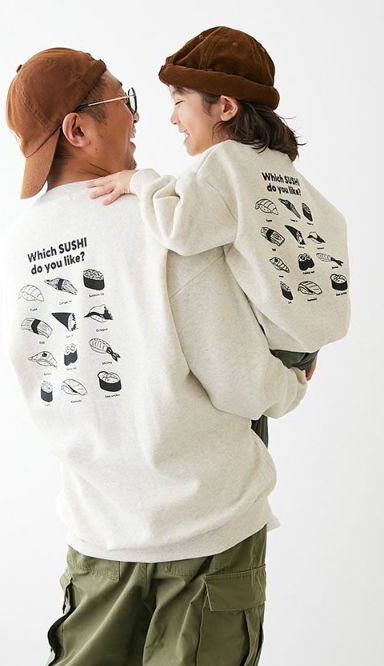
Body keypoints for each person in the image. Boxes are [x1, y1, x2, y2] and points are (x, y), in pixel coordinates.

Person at [0, 46, 309, 666]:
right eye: (121, 99)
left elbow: (35, 379)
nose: (138, 115)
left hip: (100, 510)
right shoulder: (163, 217)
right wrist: (294, 377)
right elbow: (240, 377)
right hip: (206, 510)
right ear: (79, 127)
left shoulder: (19, 239)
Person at [86, 25, 350, 407]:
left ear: (225, 107)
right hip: (302, 342)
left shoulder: (222, 164)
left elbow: (181, 229)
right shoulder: (279, 166)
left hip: (268, 345)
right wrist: (307, 327)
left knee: (241, 431)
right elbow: (329, 228)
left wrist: (139, 181)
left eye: (179, 102)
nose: (173, 118)